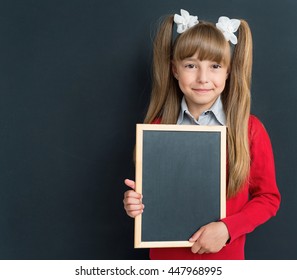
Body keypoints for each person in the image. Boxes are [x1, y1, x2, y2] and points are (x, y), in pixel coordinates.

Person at [123, 9, 281, 260]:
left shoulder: (248, 129)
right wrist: (135, 204)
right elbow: (154, 197)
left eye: (215, 66)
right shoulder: (158, 127)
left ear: (228, 72)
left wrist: (228, 228)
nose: (203, 78)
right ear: (175, 70)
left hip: (224, 263)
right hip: (166, 262)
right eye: (190, 65)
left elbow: (268, 198)